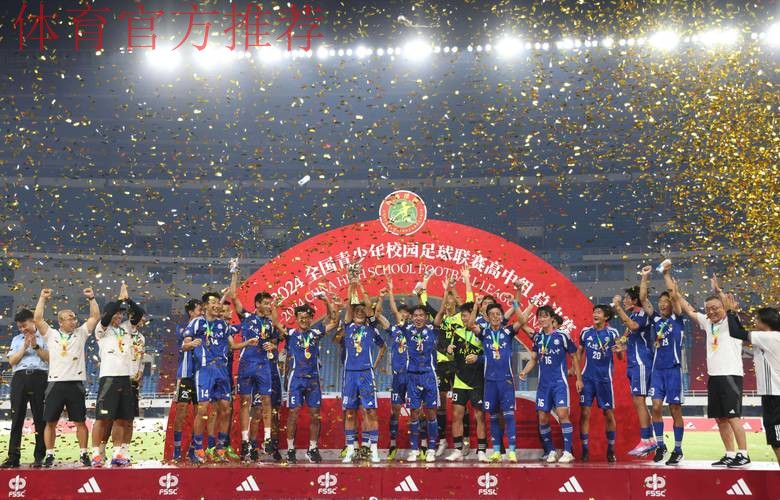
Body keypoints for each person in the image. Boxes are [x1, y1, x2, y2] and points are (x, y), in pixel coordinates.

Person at [675, 272, 749, 467]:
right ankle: (730, 454)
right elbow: (689, 310)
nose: (712, 311)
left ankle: (744, 454)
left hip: (731, 375)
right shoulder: (708, 323)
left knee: (733, 417)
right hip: (714, 377)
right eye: (708, 309)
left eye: (715, 308)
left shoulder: (731, 322)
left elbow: (729, 306)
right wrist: (676, 292)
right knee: (720, 418)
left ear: (724, 307)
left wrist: (718, 290)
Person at [183, 292, 256, 463]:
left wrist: (247, 343)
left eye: (218, 302)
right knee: (203, 409)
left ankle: (221, 448)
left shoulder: (222, 324)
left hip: (222, 370)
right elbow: (184, 344)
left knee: (226, 408)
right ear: (205, 306)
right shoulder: (197, 322)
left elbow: (233, 345)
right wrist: (190, 344)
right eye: (213, 303)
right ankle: (198, 448)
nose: (217, 305)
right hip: (205, 370)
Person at [34, 287, 100, 467]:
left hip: (75, 384)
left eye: (75, 318)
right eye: (70, 318)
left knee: (80, 422)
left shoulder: (81, 333)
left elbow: (95, 317)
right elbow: (38, 319)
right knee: (50, 422)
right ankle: (49, 454)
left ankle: (84, 453)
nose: (74, 320)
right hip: (55, 383)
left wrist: (91, 298)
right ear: (61, 321)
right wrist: (42, 298)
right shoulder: (51, 334)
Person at [272, 297, 339, 464]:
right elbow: (275, 322)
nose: (304, 320)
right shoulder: (290, 334)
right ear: (296, 318)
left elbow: (334, 321)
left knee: (315, 415)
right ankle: (290, 450)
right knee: (293, 413)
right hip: (296, 380)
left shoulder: (315, 333)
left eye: (307, 317)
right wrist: (275, 305)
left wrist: (326, 301)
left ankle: (313, 448)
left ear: (310, 319)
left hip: (313, 380)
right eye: (301, 317)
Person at [466, 295, 527, 462]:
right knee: (492, 417)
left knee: (508, 416)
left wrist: (514, 304)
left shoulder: (507, 332)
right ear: (487, 316)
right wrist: (476, 306)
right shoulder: (484, 333)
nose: (495, 316)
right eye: (491, 314)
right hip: (490, 382)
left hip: (506, 380)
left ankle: (512, 451)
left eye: (498, 314)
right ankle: (496, 451)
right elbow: (470, 325)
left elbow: (522, 320)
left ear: (501, 317)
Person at [90, 283, 145, 467]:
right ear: (108, 314)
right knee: (102, 418)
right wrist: (118, 299)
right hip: (109, 377)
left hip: (126, 378)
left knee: (122, 418)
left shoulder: (126, 328)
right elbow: (106, 317)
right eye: (116, 313)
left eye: (121, 314)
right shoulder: (102, 330)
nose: (119, 316)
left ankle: (117, 454)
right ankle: (96, 454)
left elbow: (139, 313)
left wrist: (127, 300)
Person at [519, 305, 580, 464]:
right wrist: (524, 371)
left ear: (552, 318)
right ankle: (550, 451)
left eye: (545, 316)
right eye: (539, 316)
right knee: (542, 418)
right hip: (543, 385)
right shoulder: (538, 338)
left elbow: (574, 356)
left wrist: (578, 378)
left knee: (562, 415)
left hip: (559, 383)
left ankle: (568, 452)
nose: (542, 319)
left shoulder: (562, 336)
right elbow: (534, 359)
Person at [640, 264, 685, 466]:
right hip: (657, 371)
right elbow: (643, 299)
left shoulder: (678, 319)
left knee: (675, 409)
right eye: (661, 302)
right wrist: (645, 276)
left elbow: (675, 295)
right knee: (656, 407)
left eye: (666, 302)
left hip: (673, 370)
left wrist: (666, 274)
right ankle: (660, 445)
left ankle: (678, 449)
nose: (663, 304)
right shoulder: (656, 319)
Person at [725, 302, 780, 466]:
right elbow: (741, 332)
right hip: (772, 394)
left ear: (765, 321)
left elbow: (736, 332)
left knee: (777, 440)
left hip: (775, 395)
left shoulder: (769, 337)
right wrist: (734, 314)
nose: (755, 322)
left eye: (757, 319)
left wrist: (730, 312)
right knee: (775, 439)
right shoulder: (770, 337)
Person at [339, 278, 386, 463]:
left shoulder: (371, 329)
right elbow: (349, 305)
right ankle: (351, 449)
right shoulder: (347, 326)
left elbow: (383, 347)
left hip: (366, 374)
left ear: (367, 313)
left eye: (362, 310)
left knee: (370, 411)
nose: (359, 312)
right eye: (356, 310)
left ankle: (373, 449)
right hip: (350, 374)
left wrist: (374, 365)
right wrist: (352, 284)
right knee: (350, 412)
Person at [231, 288, 281, 461]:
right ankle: (245, 441)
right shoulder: (246, 317)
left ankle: (267, 439)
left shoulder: (270, 323)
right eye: (265, 303)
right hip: (246, 364)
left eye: (270, 304)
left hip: (263, 365)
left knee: (266, 400)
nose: (268, 306)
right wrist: (234, 277)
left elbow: (275, 342)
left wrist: (272, 346)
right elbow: (234, 298)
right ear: (257, 304)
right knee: (245, 402)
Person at [612, 288, 657, 456]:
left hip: (642, 362)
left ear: (635, 300)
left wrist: (618, 308)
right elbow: (631, 339)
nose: (624, 301)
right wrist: (621, 347)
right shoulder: (633, 315)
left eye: (626, 298)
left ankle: (646, 440)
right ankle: (650, 440)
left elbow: (634, 327)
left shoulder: (643, 314)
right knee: (639, 402)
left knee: (640, 401)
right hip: (633, 364)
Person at [1, 309, 49, 468]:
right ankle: (13, 457)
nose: (22, 329)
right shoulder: (16, 339)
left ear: (33, 321)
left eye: (24, 325)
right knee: (16, 419)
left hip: (40, 377)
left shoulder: (45, 336)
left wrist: (35, 346)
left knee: (40, 418)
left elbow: (49, 358)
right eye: (19, 327)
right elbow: (12, 361)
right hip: (19, 378)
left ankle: (39, 457)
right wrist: (24, 346)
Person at [577, 305, 621, 462]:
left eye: (599, 312)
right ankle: (585, 450)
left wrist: (619, 350)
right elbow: (578, 353)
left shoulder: (613, 333)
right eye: (594, 312)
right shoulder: (586, 332)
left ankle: (611, 449)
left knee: (608, 414)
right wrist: (578, 376)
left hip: (604, 380)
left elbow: (620, 356)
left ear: (606, 317)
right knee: (585, 413)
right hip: (587, 379)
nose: (595, 314)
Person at [403, 304, 441, 463]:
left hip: (428, 376)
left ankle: (431, 449)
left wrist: (446, 295)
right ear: (412, 317)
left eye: (421, 315)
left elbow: (440, 314)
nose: (418, 318)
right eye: (415, 315)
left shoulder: (432, 329)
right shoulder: (407, 330)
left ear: (426, 317)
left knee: (431, 412)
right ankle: (414, 450)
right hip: (412, 376)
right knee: (414, 413)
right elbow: (394, 316)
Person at [172, 298, 202, 461]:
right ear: (191, 312)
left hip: (201, 376)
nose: (201, 313)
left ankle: (192, 450)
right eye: (198, 310)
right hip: (185, 375)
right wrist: (191, 344)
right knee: (181, 411)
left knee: (199, 414)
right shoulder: (183, 327)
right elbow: (184, 345)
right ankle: (176, 451)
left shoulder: (204, 327)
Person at [385, 278, 411, 461]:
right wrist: (391, 291)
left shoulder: (415, 331)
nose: (404, 317)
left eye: (406, 315)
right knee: (395, 410)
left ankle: (421, 446)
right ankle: (392, 444)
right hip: (397, 377)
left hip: (414, 376)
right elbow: (392, 311)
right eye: (401, 314)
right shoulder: (393, 329)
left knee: (418, 410)